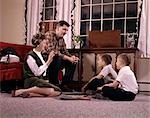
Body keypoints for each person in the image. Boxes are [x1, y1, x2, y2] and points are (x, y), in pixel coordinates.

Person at [12, 33, 61, 98]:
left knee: (57, 92)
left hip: (40, 80)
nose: (46, 45)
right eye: (44, 43)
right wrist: (49, 61)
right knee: (56, 90)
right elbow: (37, 73)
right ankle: (21, 91)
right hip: (31, 80)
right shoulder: (30, 56)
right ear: (38, 44)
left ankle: (31, 94)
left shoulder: (41, 54)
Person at [45, 20, 79, 91]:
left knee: (72, 62)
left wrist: (72, 57)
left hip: (57, 60)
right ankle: (54, 84)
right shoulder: (49, 35)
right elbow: (53, 51)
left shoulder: (61, 39)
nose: (65, 32)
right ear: (57, 28)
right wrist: (67, 58)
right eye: (64, 29)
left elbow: (65, 51)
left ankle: (64, 85)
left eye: (66, 30)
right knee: (57, 58)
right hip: (47, 60)